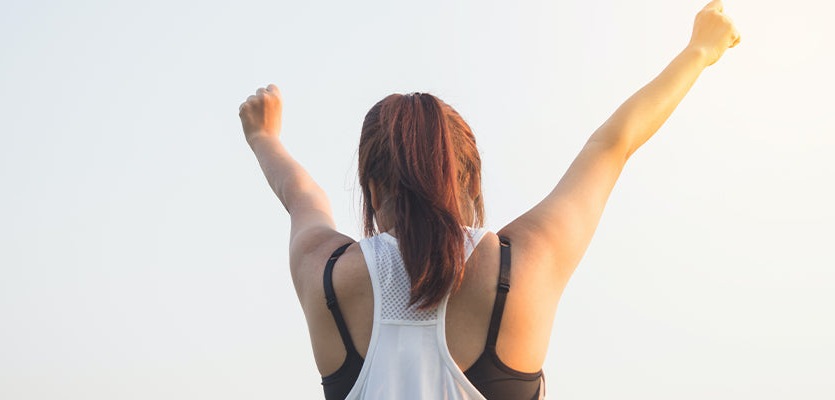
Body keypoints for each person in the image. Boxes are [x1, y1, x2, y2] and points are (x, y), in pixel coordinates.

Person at [238, 1, 739, 398]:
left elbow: (300, 194)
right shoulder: (522, 267)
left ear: (370, 187)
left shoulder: (326, 274)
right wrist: (699, 50)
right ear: (471, 180)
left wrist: (265, 136)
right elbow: (611, 146)